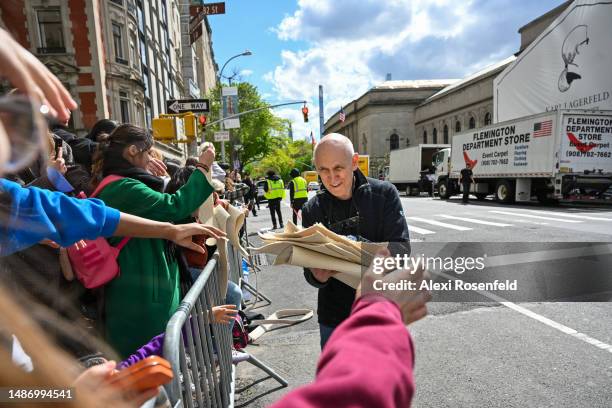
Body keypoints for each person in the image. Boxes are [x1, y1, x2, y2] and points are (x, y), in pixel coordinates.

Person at [90, 124, 218, 357]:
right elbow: (174, 207)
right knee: (152, 360)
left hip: (138, 284)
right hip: (140, 289)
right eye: (148, 152)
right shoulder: (124, 187)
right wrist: (203, 166)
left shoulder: (116, 183)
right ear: (131, 151)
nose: (151, 158)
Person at [272, 247, 430, 408]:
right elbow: (358, 391)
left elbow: (399, 248)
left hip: (367, 303)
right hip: (335, 311)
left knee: (334, 374)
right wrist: (380, 312)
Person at [301, 133, 410, 349]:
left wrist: (353, 247)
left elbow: (401, 250)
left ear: (354, 162)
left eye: (338, 169)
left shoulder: (384, 194)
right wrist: (317, 276)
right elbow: (308, 271)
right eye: (324, 171)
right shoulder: (311, 210)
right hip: (334, 318)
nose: (332, 178)